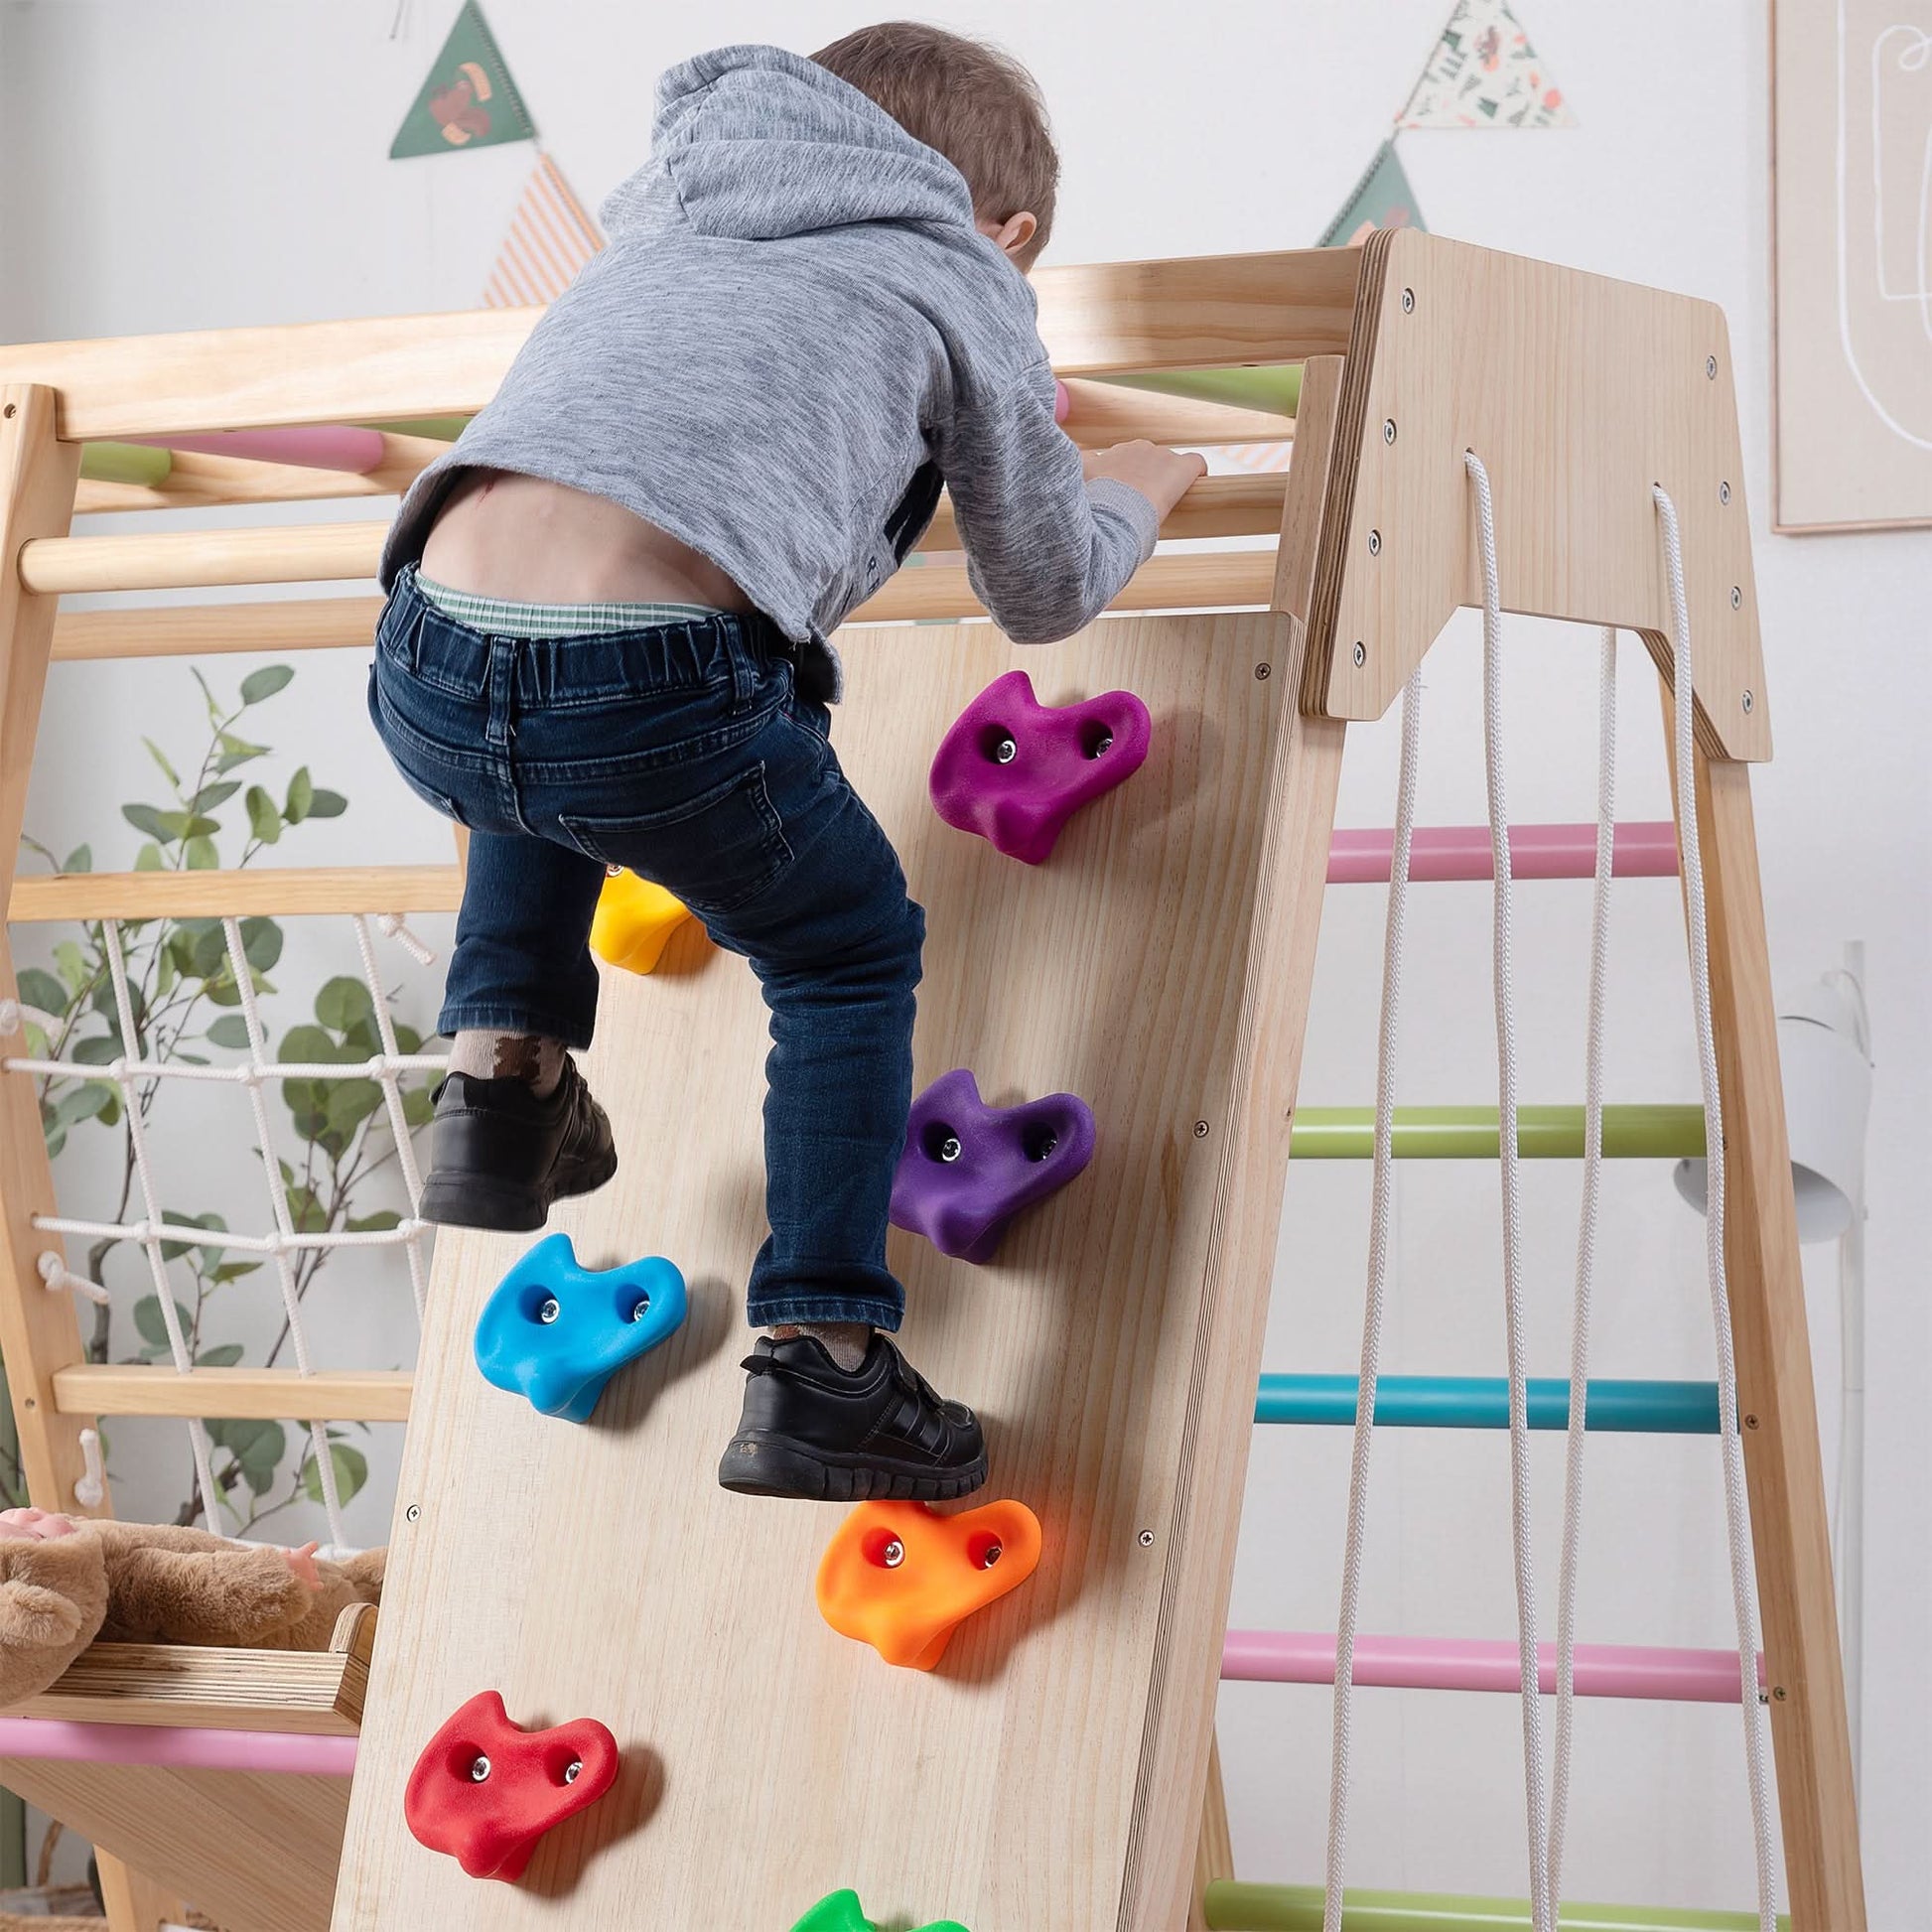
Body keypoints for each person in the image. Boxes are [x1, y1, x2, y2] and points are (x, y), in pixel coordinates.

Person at [367, 26, 1205, 1504]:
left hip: (421, 641)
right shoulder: (956, 272)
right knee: (840, 951)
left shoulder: (667, 218)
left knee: (540, 748)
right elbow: (1046, 587)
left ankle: (500, 1086)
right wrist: (1134, 488)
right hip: (642, 683)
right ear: (1003, 230)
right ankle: (825, 1364)